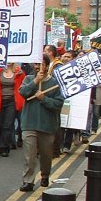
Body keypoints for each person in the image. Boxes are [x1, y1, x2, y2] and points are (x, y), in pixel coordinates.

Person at [19, 54, 65, 191]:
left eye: (41, 64)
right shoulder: (28, 79)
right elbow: (23, 92)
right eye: (36, 64)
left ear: (46, 65)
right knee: (29, 155)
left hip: (46, 125)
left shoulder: (54, 83)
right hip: (29, 124)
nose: (38, 67)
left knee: (46, 155)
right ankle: (28, 180)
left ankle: (45, 175)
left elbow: (58, 104)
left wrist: (43, 98)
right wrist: (35, 82)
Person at [0, 63, 26, 157]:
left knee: (7, 125)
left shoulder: (19, 72)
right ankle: (0, 141)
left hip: (12, 102)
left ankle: (4, 148)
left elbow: (23, 86)